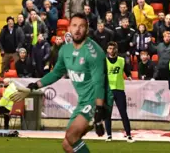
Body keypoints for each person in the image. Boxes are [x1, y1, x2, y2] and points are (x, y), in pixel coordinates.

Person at [26, 13, 108, 153]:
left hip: (96, 100)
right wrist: (37, 84)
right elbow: (57, 72)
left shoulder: (94, 53)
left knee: (71, 136)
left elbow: (99, 83)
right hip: (83, 101)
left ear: (87, 30)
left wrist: (99, 113)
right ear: (69, 28)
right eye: (74, 26)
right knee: (67, 144)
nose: (77, 30)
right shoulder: (65, 50)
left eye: (82, 26)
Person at [104, 42, 134, 142]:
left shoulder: (121, 60)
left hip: (120, 90)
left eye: (113, 48)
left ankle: (129, 135)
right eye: (109, 48)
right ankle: (108, 135)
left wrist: (129, 75)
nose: (111, 50)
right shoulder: (104, 61)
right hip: (108, 90)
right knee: (108, 114)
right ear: (107, 50)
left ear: (116, 49)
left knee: (123, 113)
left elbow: (127, 70)